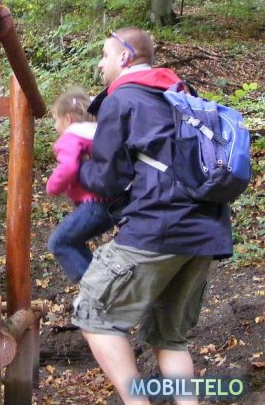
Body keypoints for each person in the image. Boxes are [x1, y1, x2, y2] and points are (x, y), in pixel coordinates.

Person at [72, 28, 232, 405]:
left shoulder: (123, 99)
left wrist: (78, 168)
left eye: (105, 55)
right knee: (169, 338)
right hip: (207, 230)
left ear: (124, 57)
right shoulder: (182, 92)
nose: (100, 64)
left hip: (158, 227)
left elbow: (109, 179)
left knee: (93, 313)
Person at [46, 88, 114, 283]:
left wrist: (52, 186)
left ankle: (96, 291)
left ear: (67, 118)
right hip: (112, 204)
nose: (55, 126)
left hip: (94, 205)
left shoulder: (71, 136)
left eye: (55, 120)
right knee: (73, 242)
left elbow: (68, 167)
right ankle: (100, 285)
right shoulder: (100, 133)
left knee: (59, 243)